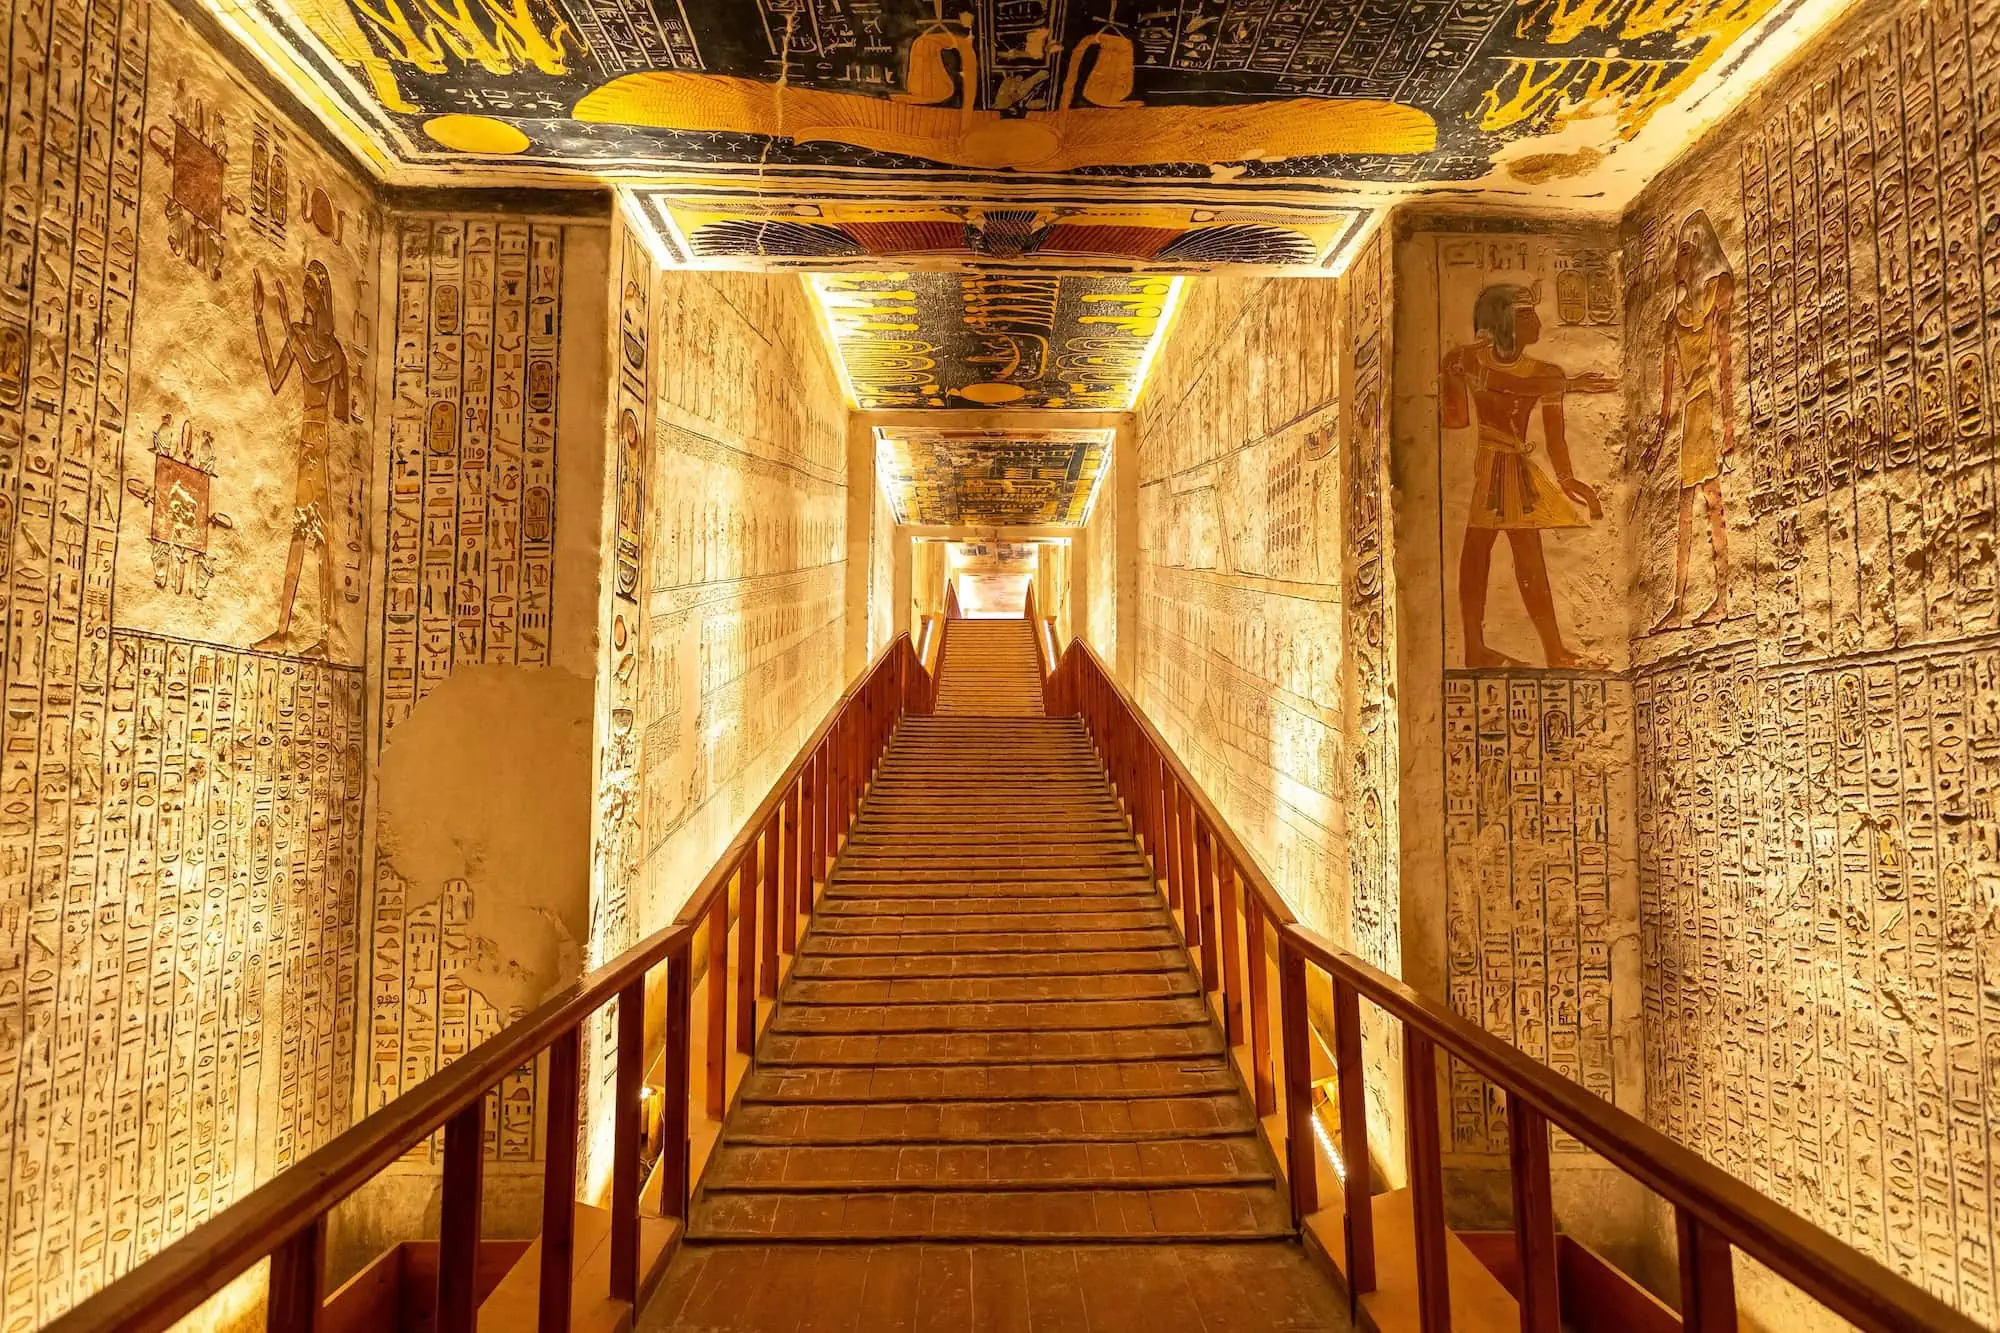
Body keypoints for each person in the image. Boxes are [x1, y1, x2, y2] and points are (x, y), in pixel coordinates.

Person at [1441, 282, 1617, 669]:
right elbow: (1471, 407)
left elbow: (1555, 438)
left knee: (1525, 555)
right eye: (1524, 314)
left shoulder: (1546, 372)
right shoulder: (1472, 361)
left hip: (1517, 468)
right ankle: (1482, 647)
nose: (1535, 322)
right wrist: (1569, 384)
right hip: (1492, 465)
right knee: (1480, 551)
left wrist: (1570, 481)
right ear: (1500, 321)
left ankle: (1550, 651)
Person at [252, 259, 352, 657]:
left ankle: (319, 638)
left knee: (315, 536)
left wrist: (280, 325)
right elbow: (279, 381)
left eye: (311, 290)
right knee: (305, 535)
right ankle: (289, 633)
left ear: (319, 298)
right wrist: (263, 321)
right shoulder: (326, 350)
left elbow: (302, 377)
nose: (307, 295)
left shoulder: (318, 347)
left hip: (316, 442)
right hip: (315, 441)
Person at [1642, 209, 1736, 630]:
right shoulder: (1669, 323)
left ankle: (1720, 597)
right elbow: (1666, 398)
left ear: (1696, 255)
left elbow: (1726, 361)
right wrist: (1655, 442)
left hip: (1708, 409)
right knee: (1688, 504)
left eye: (1682, 252)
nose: (1676, 263)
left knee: (1709, 501)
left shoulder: (1718, 295)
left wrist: (1731, 424)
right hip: (1690, 417)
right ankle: (1681, 603)